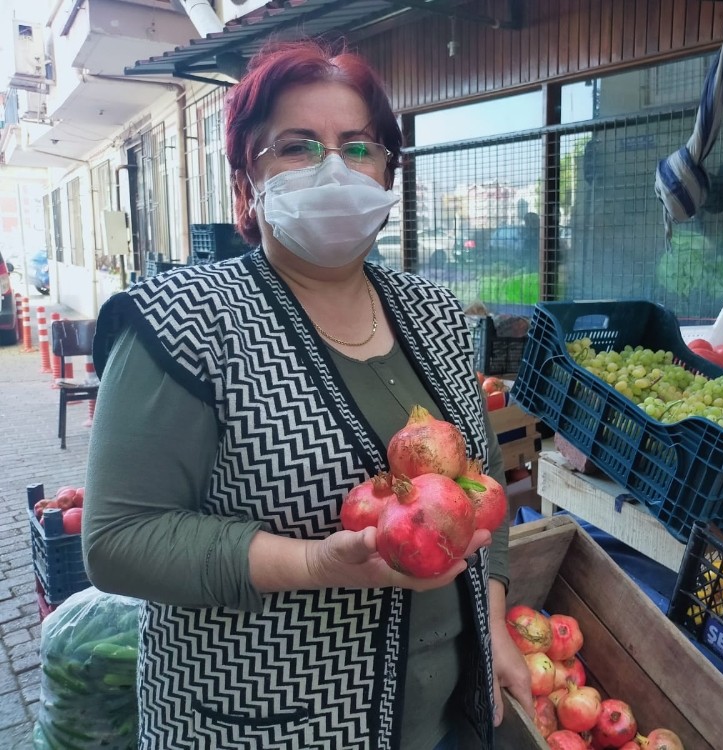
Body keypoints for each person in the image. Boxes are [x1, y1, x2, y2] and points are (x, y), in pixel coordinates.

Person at [82, 38, 532, 749]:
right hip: (264, 724)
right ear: (244, 188)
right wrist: (313, 563)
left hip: (443, 720)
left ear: (388, 172)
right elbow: (118, 541)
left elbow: (483, 493)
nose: (333, 169)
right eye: (297, 146)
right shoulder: (184, 321)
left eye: (358, 148)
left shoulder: (437, 315)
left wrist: (497, 621)